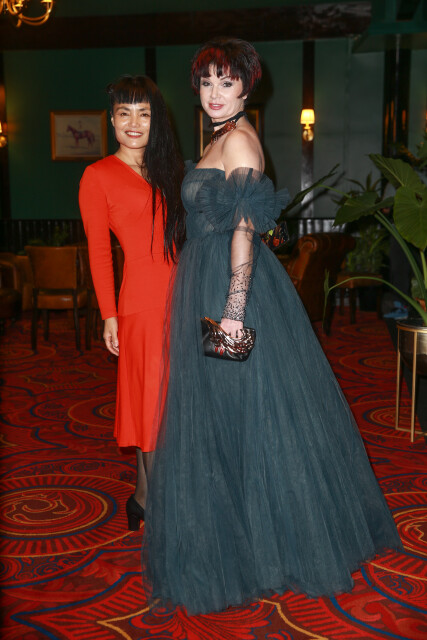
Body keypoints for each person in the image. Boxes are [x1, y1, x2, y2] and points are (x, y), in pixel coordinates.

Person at [143, 38, 402, 615]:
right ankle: (242, 536)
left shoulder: (240, 140)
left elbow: (244, 232)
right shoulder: (219, 137)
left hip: (230, 289)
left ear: (246, 87)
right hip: (205, 282)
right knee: (223, 411)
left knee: (247, 410)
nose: (214, 92)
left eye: (226, 81)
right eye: (206, 82)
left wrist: (234, 310)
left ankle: (269, 545)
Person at [79, 75, 185, 531]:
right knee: (152, 404)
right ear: (112, 120)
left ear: (156, 120)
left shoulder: (170, 170)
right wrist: (109, 315)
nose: (135, 122)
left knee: (166, 402)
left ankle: (142, 497)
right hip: (140, 305)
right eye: (125, 113)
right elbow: (99, 253)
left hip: (184, 295)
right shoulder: (98, 175)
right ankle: (162, 510)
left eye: (144, 113)